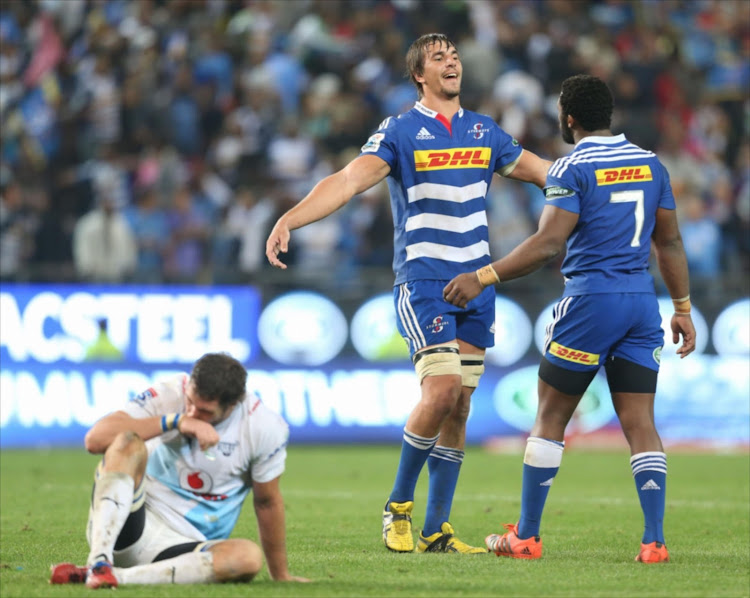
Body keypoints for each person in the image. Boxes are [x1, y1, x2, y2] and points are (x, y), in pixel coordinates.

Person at [265, 33, 551, 554]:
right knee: (440, 393)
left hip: (478, 284)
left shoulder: (484, 131)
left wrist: (595, 188)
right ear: (419, 74)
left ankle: (438, 530)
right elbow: (348, 181)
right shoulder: (401, 130)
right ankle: (398, 505)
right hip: (424, 281)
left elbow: (543, 174)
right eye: (439, 58)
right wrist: (291, 218)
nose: (452, 63)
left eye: (455, 56)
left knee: (460, 407)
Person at [443, 74, 696, 563]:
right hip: (642, 305)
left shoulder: (570, 168)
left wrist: (484, 276)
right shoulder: (650, 163)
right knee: (641, 422)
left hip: (589, 304)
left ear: (570, 117)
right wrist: (682, 308)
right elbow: (669, 242)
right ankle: (654, 541)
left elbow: (549, 244)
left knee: (551, 417)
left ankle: (527, 537)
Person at [50, 352, 308, 588]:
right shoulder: (170, 392)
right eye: (190, 402)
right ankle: (99, 561)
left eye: (205, 411)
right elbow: (95, 439)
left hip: (186, 550)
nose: (193, 412)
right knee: (127, 442)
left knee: (248, 557)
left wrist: (280, 574)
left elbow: (266, 502)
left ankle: (108, 577)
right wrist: (174, 421)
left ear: (232, 406)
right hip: (128, 524)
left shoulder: (263, 427)